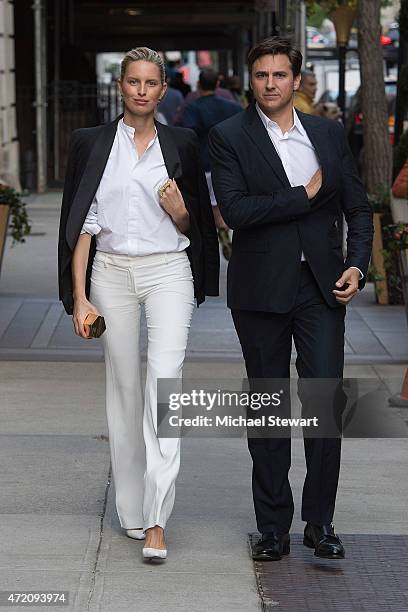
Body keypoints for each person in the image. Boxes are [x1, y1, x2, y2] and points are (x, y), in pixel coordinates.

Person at [209, 37, 373, 562]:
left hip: (322, 289)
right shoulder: (227, 137)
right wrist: (302, 196)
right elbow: (235, 211)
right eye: (262, 76)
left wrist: (357, 264)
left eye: (281, 75)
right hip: (259, 291)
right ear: (250, 80)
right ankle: (273, 527)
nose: (271, 84)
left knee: (325, 404)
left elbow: (359, 208)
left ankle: (319, 523)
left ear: (297, 80)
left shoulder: (328, 133)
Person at [58, 47, 219, 562]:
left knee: (165, 386)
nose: (142, 91)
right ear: (121, 86)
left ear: (163, 88)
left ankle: (156, 520)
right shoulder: (91, 144)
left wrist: (181, 212)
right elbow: (80, 222)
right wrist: (81, 297)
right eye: (133, 81)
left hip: (169, 270)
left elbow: (198, 226)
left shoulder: (183, 143)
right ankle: (132, 509)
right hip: (110, 274)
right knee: (124, 390)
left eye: (152, 82)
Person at [182, 68, 242, 260]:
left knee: (212, 203)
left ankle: (220, 230)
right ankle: (226, 229)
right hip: (230, 162)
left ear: (199, 84)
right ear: (218, 84)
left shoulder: (192, 108)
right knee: (228, 198)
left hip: (205, 161)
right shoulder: (232, 106)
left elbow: (187, 135)